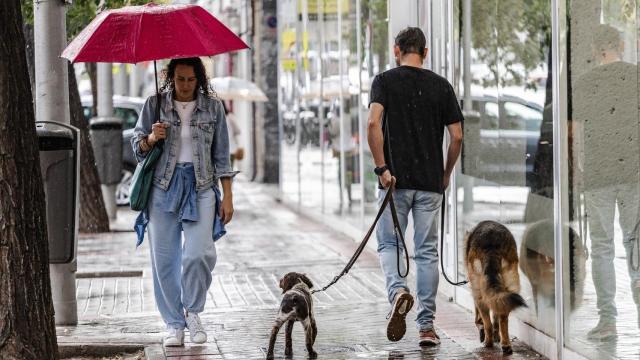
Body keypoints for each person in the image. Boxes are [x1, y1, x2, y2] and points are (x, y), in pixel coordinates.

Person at [367, 27, 463, 346]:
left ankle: (397, 292)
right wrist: (445, 173)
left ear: (397, 50)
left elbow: (372, 124)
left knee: (389, 244)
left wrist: (382, 168)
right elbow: (458, 136)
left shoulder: (384, 81)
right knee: (426, 252)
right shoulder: (441, 86)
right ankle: (426, 327)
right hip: (429, 183)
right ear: (426, 52)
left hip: (394, 182)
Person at [131, 57, 237, 347]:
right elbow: (137, 149)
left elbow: (222, 156)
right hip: (163, 188)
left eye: (191, 79)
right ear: (171, 78)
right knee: (165, 261)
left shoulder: (213, 107)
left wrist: (227, 195)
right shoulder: (154, 104)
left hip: (201, 185)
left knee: (199, 254)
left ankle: (193, 311)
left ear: (199, 79)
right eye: (181, 79)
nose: (186, 85)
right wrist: (153, 137)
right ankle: (174, 324)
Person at [573, 24, 640, 340]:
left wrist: (579, 171)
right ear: (621, 46)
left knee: (601, 248)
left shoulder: (586, 82)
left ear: (594, 50)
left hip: (598, 175)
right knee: (635, 242)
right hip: (633, 174)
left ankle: (608, 321)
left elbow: (573, 136)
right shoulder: (636, 77)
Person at [222, 102, 243, 169]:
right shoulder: (229, 118)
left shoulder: (230, 118)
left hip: (230, 148)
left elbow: (238, 130)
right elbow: (238, 131)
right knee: (228, 169)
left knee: (228, 170)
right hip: (227, 148)